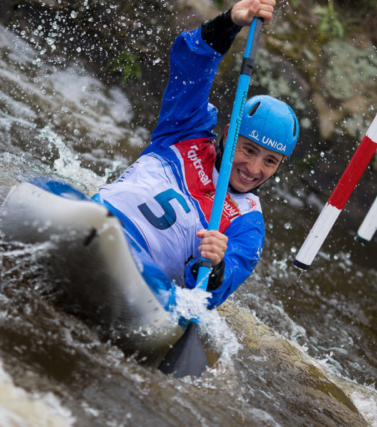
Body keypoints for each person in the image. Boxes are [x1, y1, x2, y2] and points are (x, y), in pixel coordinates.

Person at [94, 0, 298, 309]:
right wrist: (228, 23)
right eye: (249, 149)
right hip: (97, 217)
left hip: (142, 274)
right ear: (228, 134)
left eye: (270, 161)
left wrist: (215, 267)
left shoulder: (248, 225)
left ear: (281, 164)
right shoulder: (185, 130)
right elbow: (190, 64)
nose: (254, 168)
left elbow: (209, 294)